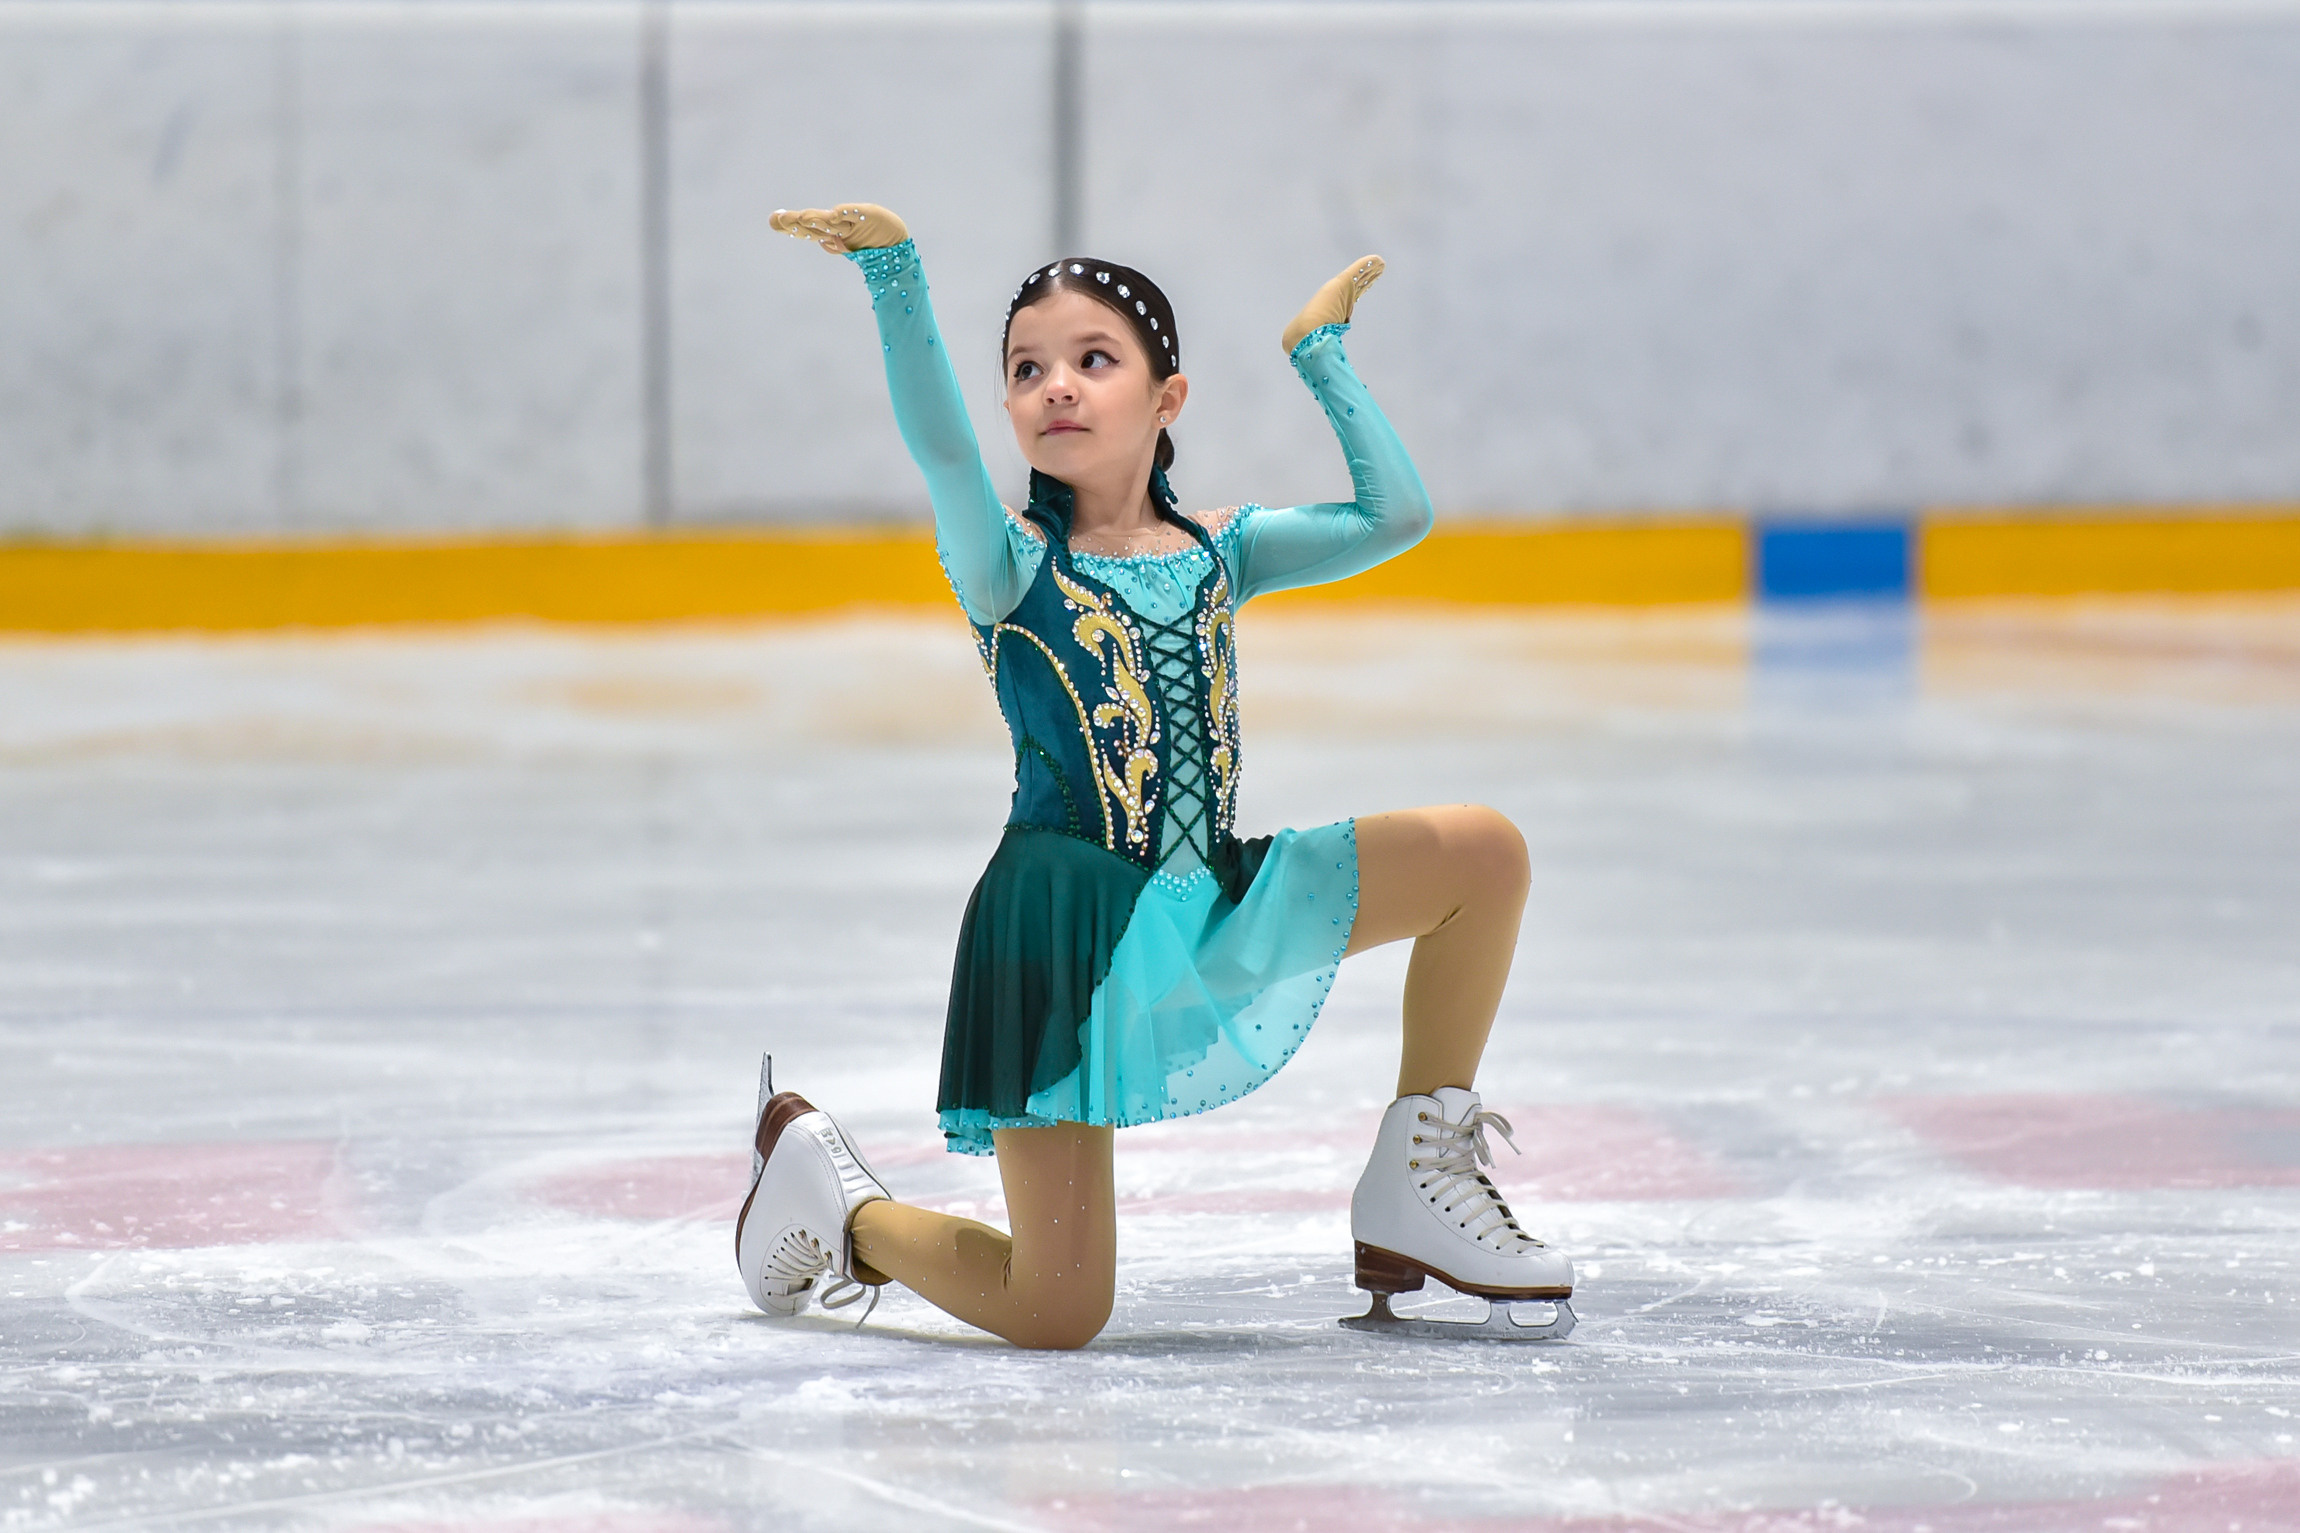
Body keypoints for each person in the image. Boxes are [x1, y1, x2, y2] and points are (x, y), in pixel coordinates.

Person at [735, 203, 1574, 1348]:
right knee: (1057, 1309)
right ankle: (849, 1212)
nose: (1056, 387)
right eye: (1026, 369)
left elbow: (1400, 514)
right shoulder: (1008, 563)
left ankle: (1415, 1179)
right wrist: (893, 273)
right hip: (1063, 942)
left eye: (1093, 360)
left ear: (1166, 399)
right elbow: (939, 447)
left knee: (1481, 852)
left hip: (1214, 907)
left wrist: (1319, 357)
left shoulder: (1223, 548)